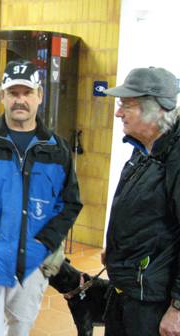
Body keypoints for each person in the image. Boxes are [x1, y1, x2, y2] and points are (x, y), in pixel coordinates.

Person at [0, 59, 83, 336]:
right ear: (2, 96)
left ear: (39, 96)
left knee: (20, 330)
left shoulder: (57, 149)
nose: (20, 100)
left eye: (27, 92)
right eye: (13, 93)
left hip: (32, 266)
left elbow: (70, 203)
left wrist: (44, 242)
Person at [102, 67, 180, 336]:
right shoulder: (144, 149)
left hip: (153, 302)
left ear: (158, 109)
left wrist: (178, 308)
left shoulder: (176, 158)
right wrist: (114, 248)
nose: (118, 112)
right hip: (128, 288)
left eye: (127, 105)